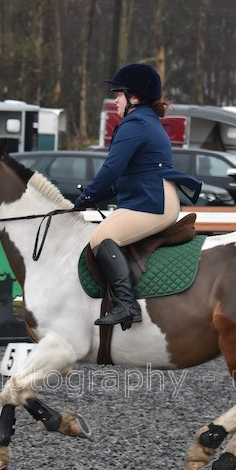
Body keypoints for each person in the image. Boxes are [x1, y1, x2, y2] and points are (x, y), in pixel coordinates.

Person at [73, 63, 203, 330]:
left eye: (118, 93)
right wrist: (96, 195)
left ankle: (127, 305)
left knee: (101, 237)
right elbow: (125, 177)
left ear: (135, 97)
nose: (115, 99)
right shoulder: (144, 121)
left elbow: (111, 169)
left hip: (152, 203)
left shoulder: (135, 124)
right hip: (148, 198)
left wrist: (88, 196)